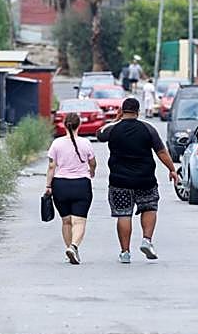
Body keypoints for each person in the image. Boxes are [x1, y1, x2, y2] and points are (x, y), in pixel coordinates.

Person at [96, 96, 179, 264]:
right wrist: (172, 169)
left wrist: (115, 120)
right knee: (149, 207)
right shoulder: (148, 129)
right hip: (145, 179)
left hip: (119, 181)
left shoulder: (113, 129)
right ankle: (146, 240)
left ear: (122, 111)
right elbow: (161, 152)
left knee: (124, 214)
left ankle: (125, 252)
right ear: (138, 111)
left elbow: (99, 134)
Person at [45, 112, 96, 265]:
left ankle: (69, 250)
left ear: (65, 125)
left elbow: (51, 166)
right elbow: (92, 162)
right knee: (79, 221)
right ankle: (73, 247)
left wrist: (48, 186)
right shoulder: (86, 143)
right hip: (81, 185)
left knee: (66, 221)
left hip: (60, 185)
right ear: (79, 125)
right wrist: (91, 171)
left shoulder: (56, 144)